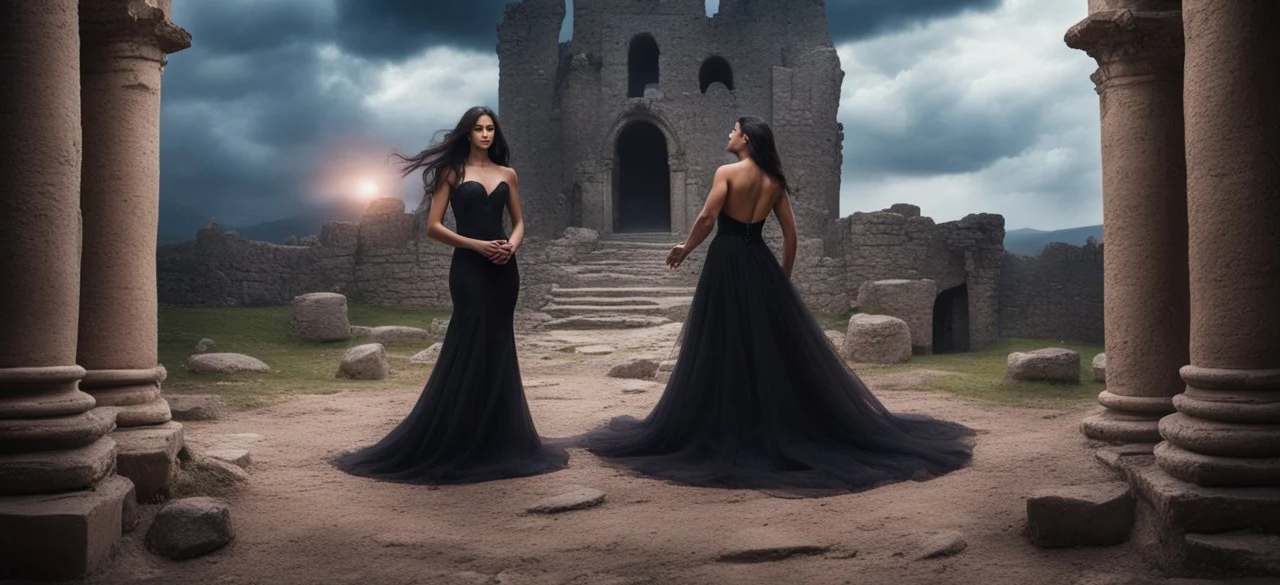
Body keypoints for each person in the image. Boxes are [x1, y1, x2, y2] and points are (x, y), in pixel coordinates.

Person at [579, 116, 973, 497]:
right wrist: (780, 278)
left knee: (723, 340)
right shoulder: (774, 183)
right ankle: (771, 422)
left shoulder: (727, 173)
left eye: (733, 130)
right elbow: (790, 234)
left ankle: (727, 425)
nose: (728, 134)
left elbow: (706, 216)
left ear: (746, 138)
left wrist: (685, 248)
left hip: (728, 261)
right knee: (766, 346)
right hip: (760, 262)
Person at [334, 106, 568, 484]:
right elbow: (434, 227)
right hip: (470, 269)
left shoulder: (508, 173)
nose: (486, 134)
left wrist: (511, 245)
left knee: (499, 345)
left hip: (505, 271)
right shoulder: (453, 172)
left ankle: (500, 437)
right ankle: (459, 436)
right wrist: (477, 246)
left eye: (491, 128)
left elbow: (521, 222)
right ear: (468, 133)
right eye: (479, 129)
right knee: (469, 342)